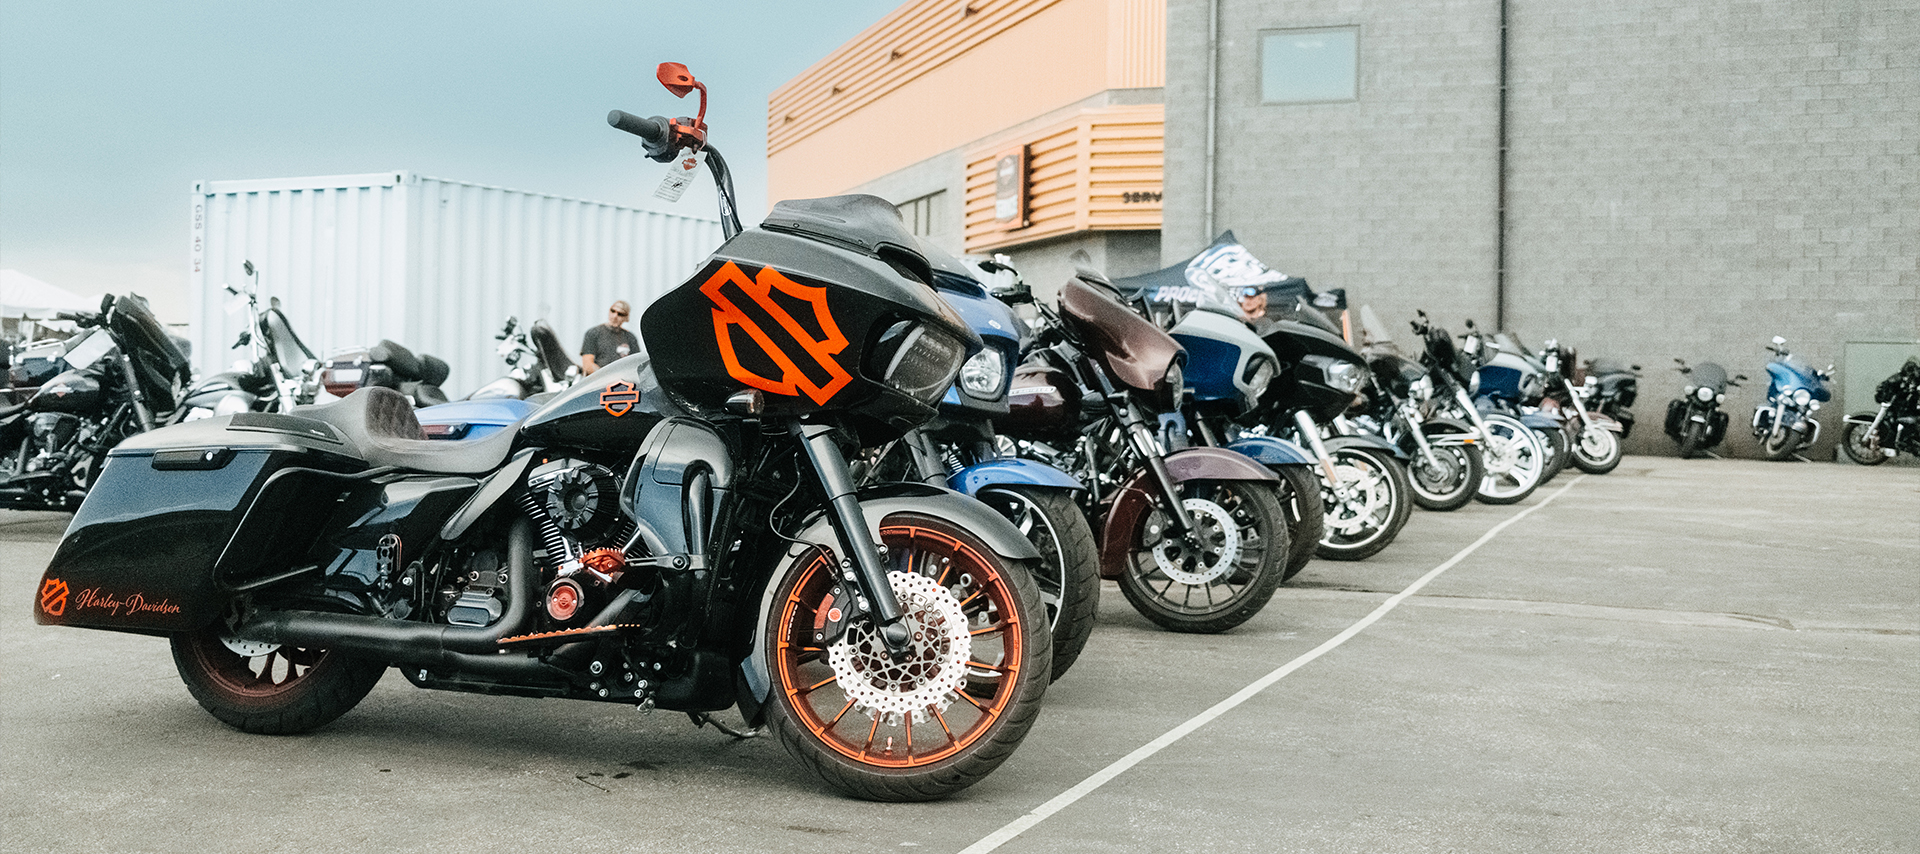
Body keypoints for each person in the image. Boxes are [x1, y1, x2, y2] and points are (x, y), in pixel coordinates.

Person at [580, 300, 640, 374]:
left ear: (626, 318)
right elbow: (588, 365)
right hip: (599, 381)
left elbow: (636, 365)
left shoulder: (630, 338)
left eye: (620, 314)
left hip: (623, 382)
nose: (615, 316)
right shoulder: (593, 333)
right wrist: (605, 377)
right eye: (613, 311)